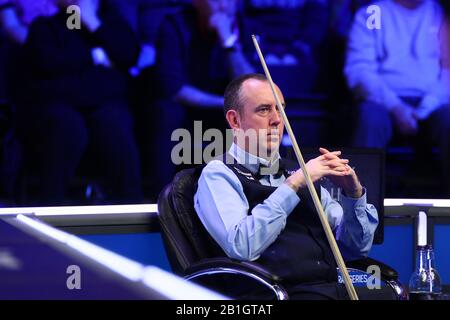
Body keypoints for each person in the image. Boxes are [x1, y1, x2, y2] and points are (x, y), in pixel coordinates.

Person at [194, 73, 379, 300]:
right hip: (275, 295)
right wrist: (293, 185)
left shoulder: (297, 171)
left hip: (328, 288)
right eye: (263, 110)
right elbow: (242, 246)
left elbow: (354, 249)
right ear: (235, 120)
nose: (277, 120)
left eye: (280, 109)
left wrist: (354, 195)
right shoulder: (219, 173)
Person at [16, 0, 142, 204]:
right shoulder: (45, 26)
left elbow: (128, 56)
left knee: (114, 122)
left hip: (103, 102)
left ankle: (131, 206)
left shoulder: (110, 23)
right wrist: (96, 58)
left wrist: (93, 23)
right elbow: (46, 65)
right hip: (59, 104)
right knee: (68, 126)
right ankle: (51, 207)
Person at [345, 0, 450, 196]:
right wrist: (396, 107)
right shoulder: (371, 14)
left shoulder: (441, 13)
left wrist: (424, 109)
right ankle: (362, 208)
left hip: (434, 102)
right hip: (383, 101)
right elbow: (360, 71)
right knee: (371, 119)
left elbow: (447, 71)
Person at [153, 0, 255, 193]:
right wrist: (224, 104)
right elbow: (173, 88)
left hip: (225, 111)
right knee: (165, 113)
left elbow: (251, 87)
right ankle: (163, 197)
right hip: (186, 107)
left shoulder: (243, 26)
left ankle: (255, 196)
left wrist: (229, 44)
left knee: (256, 114)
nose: (224, 7)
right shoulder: (175, 25)